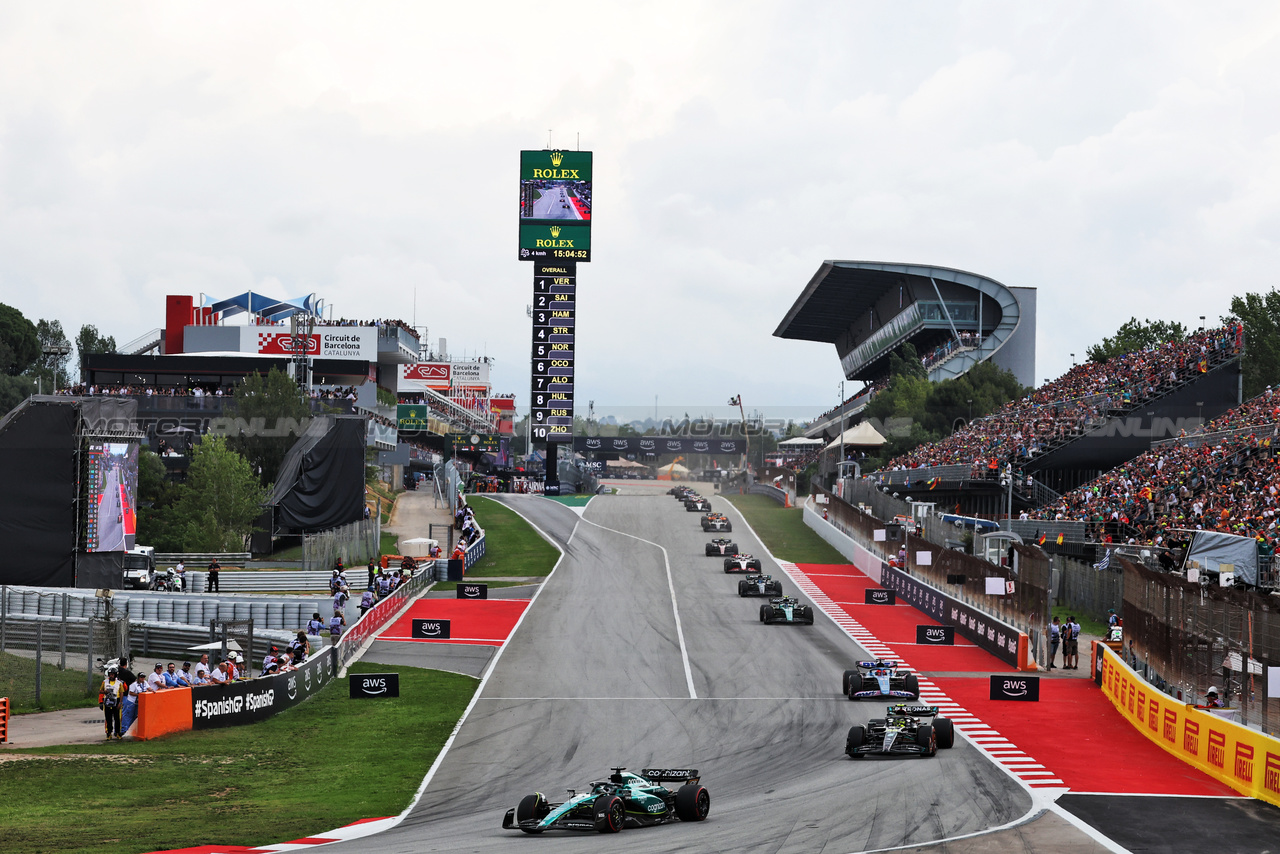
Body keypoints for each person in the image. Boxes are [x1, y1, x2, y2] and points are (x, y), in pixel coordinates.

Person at [99, 667, 126, 739]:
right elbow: (100, 691)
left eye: (112, 674)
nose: (111, 676)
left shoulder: (119, 683)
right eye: (110, 674)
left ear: (115, 675)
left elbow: (121, 692)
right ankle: (109, 733)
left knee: (117, 718)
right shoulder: (105, 682)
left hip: (116, 700)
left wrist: (120, 702)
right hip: (107, 700)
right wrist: (105, 692)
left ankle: (117, 732)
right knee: (108, 718)